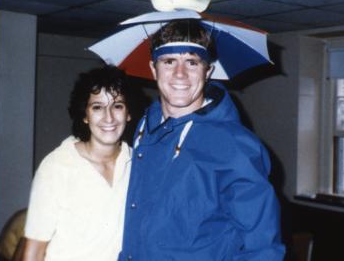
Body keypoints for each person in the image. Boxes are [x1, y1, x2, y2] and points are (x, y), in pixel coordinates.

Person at [119, 20, 285, 261]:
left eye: (192, 62)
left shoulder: (235, 145)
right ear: (153, 69)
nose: (180, 74)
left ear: (208, 71)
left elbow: (263, 248)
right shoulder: (145, 126)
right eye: (169, 61)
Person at [22, 66, 133, 261]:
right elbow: (33, 251)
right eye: (97, 107)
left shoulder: (136, 162)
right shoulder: (57, 166)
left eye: (117, 106)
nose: (109, 117)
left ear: (128, 113)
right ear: (84, 115)